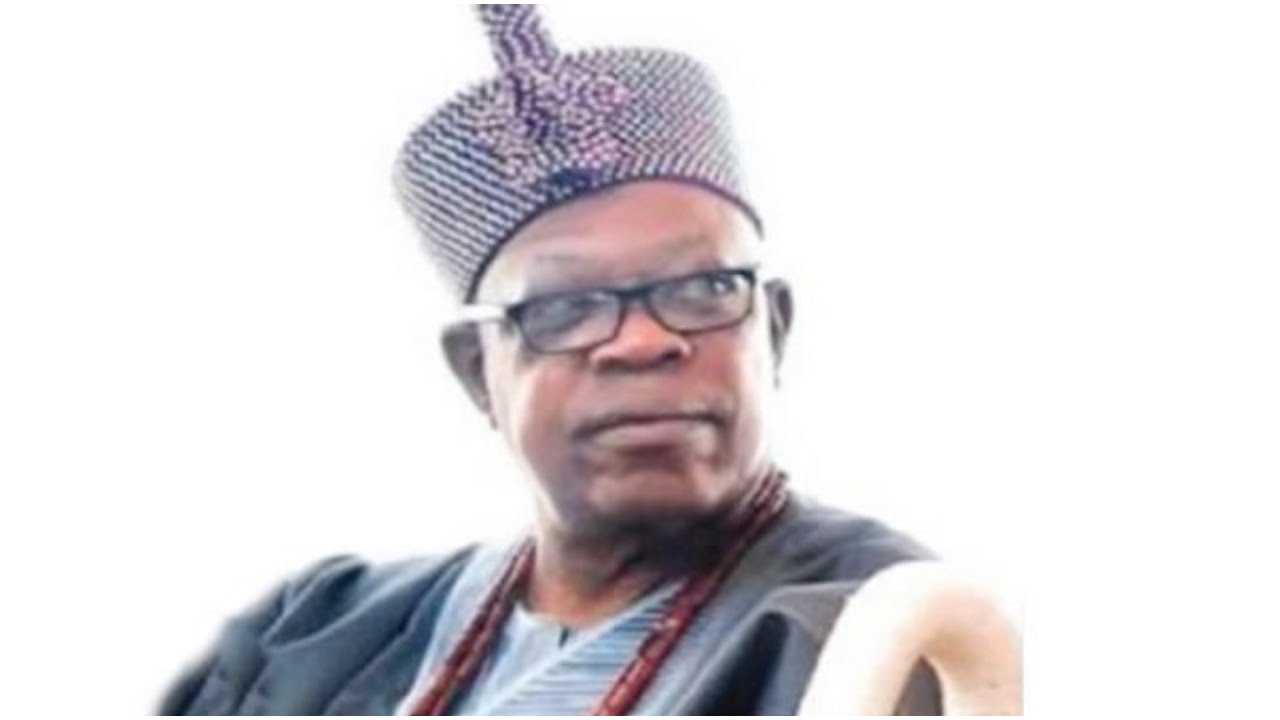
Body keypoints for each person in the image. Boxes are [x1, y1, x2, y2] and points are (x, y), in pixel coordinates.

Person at [159, 5, 943, 715]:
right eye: (566, 307)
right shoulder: (314, 631)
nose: (642, 342)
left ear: (772, 329)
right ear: (478, 372)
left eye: (704, 289)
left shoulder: (888, 635)